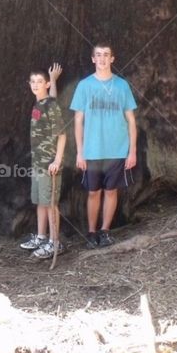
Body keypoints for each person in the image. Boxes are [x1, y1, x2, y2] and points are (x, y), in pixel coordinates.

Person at [70, 43, 137, 248]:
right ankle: (91, 232)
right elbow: (78, 121)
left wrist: (132, 151)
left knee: (111, 191)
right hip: (92, 150)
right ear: (93, 59)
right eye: (98, 55)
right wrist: (80, 152)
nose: (102, 59)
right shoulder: (84, 86)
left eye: (106, 55)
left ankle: (105, 231)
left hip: (117, 149)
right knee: (93, 191)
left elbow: (131, 121)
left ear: (112, 59)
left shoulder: (122, 85)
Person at [19, 63, 67, 260]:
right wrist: (53, 80)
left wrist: (57, 160)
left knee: (50, 203)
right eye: (33, 82)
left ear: (45, 84)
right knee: (40, 201)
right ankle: (41, 237)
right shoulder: (42, 103)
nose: (36, 85)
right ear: (29, 84)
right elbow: (52, 99)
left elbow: (62, 135)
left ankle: (55, 243)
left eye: (40, 82)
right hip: (37, 162)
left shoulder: (51, 105)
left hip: (49, 164)